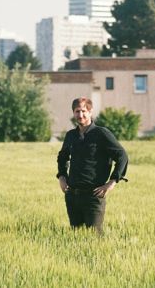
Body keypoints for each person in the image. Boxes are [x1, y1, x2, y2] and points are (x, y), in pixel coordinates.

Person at [56, 97, 129, 234]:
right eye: (77, 111)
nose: (80, 115)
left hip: (93, 196)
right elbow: (62, 157)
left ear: (90, 112)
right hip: (72, 195)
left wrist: (112, 182)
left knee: (94, 238)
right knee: (75, 237)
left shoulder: (102, 134)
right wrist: (62, 177)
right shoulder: (71, 135)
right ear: (73, 113)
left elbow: (122, 156)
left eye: (83, 111)